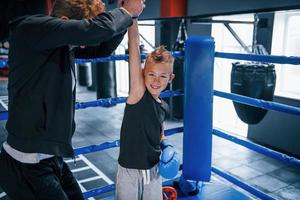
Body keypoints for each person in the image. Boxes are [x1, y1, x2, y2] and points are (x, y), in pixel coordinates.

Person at [0, 0, 144, 199]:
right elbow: (91, 31)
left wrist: (130, 18)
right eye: (80, 37)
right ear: (65, 21)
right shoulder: (31, 28)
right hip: (26, 163)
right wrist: (125, 12)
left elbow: (100, 48)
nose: (82, 45)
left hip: (50, 158)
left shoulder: (60, 44)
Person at [116, 19, 179, 200]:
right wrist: (132, 17)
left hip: (154, 170)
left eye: (162, 76)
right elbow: (134, 50)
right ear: (143, 74)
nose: (156, 81)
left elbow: (159, 133)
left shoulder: (163, 106)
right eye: (151, 74)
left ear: (171, 78)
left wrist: (166, 144)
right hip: (130, 171)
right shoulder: (138, 95)